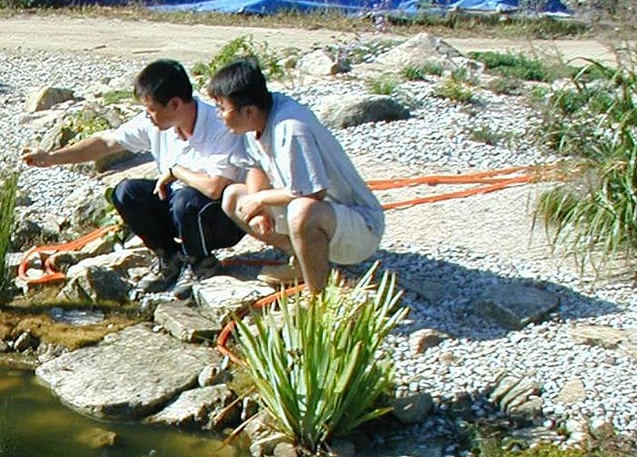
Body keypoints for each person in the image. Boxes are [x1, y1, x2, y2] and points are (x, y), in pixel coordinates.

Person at [21, 59, 248, 283]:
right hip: (180, 209)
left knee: (186, 199)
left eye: (151, 110)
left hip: (219, 218)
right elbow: (106, 143)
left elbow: (215, 187)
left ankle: (200, 263)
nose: (147, 116)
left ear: (175, 104)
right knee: (126, 192)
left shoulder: (219, 127)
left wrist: (176, 171)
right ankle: (170, 258)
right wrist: (51, 158)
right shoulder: (156, 124)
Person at [207, 59, 384, 293]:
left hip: (358, 227)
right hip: (315, 212)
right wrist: (256, 208)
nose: (219, 115)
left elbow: (313, 192)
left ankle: (318, 299)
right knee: (233, 197)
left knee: (302, 210)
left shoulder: (291, 128)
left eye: (222, 108)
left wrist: (260, 200)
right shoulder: (256, 120)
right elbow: (256, 167)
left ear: (248, 110)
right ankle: (304, 262)